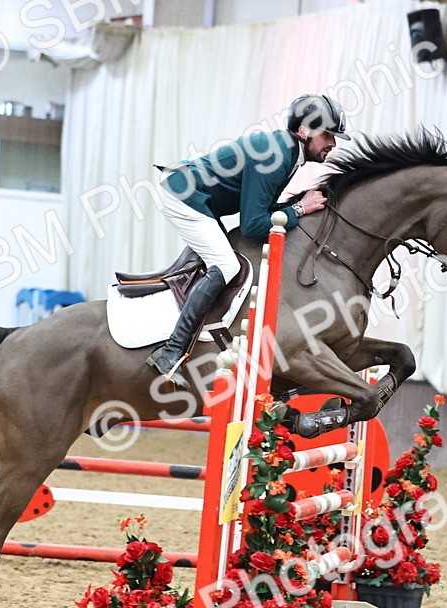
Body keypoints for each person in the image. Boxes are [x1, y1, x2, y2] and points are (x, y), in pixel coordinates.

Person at [146, 93, 351, 390]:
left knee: (225, 261)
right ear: (304, 131)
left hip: (198, 196)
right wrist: (299, 208)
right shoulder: (278, 153)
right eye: (328, 134)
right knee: (227, 265)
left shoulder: (288, 151)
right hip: (183, 193)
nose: (333, 143)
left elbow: (260, 213)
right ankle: (170, 352)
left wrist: (293, 208)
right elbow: (254, 224)